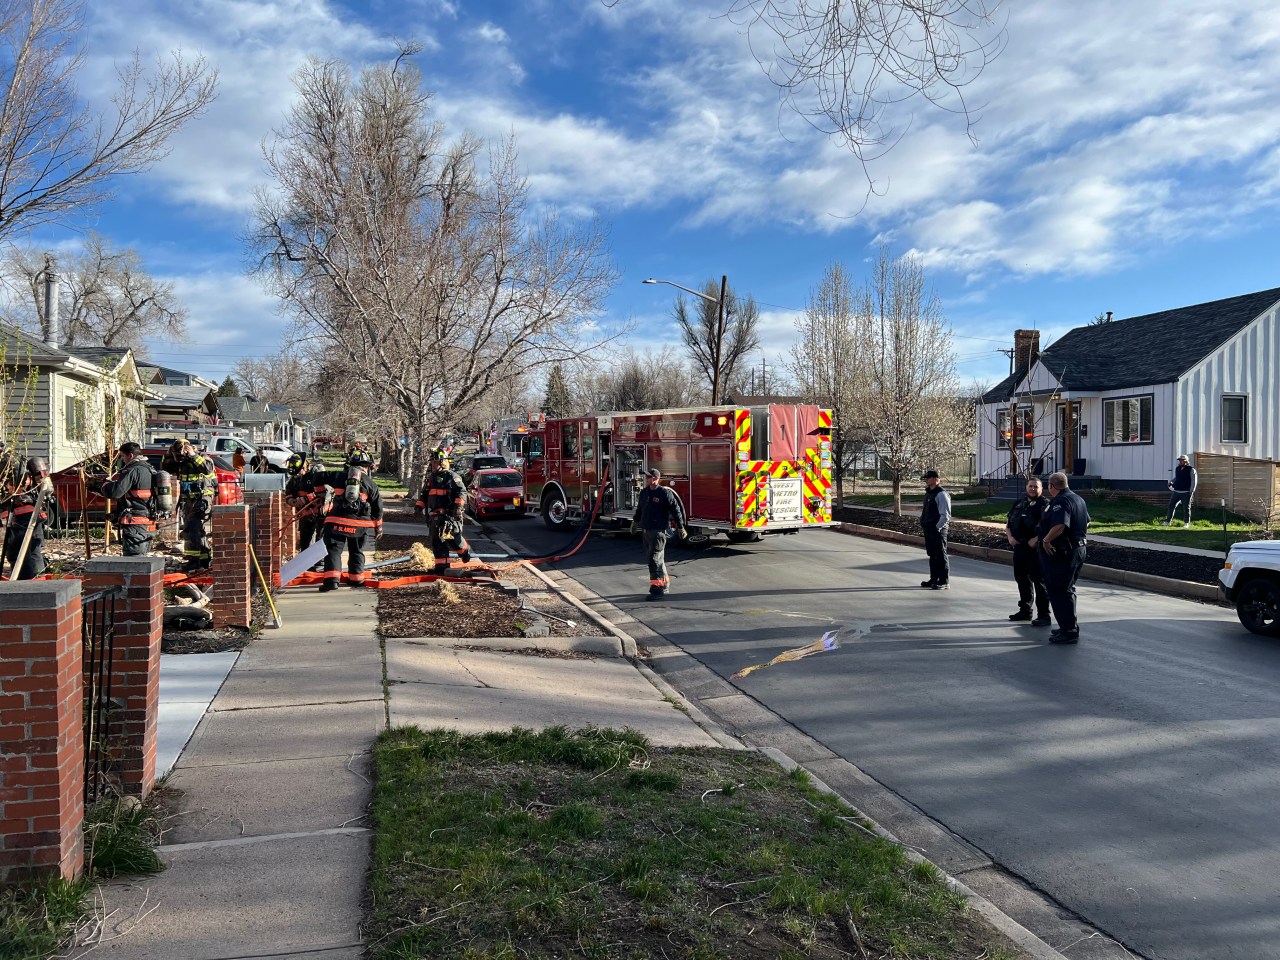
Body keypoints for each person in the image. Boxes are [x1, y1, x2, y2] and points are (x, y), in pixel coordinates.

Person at [1036, 471, 1091, 644]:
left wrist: (1047, 540)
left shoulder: (1061, 501)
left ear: (1051, 486)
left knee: (1059, 590)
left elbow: (1060, 524)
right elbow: (1087, 521)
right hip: (1078, 548)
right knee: (1067, 589)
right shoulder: (1078, 499)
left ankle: (1069, 631)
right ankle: (1067, 625)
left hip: (1063, 552)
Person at [316, 450, 383, 591]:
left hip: (336, 522)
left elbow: (317, 478)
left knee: (333, 550)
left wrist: (319, 492)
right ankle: (357, 579)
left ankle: (331, 582)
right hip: (359, 526)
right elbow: (378, 509)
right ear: (366, 467)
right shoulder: (370, 483)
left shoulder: (338, 476)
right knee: (356, 550)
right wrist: (378, 528)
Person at [631, 467, 686, 600]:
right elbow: (640, 509)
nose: (646, 479)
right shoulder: (644, 493)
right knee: (658, 559)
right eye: (646, 477)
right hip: (646, 531)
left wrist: (680, 527)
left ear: (656, 479)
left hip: (658, 532)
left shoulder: (664, 493)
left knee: (654, 560)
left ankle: (657, 589)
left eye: (649, 477)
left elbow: (676, 510)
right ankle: (665, 583)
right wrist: (635, 522)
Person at [162, 440, 217, 572]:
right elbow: (166, 468)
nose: (179, 458)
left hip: (202, 498)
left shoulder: (202, 458)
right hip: (188, 500)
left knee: (192, 528)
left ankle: (194, 562)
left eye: (180, 454)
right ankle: (204, 559)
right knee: (195, 530)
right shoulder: (181, 462)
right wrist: (169, 455)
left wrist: (192, 455)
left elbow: (207, 470)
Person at [416, 448, 472, 572]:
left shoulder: (452, 477)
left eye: (435, 462)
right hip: (435, 516)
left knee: (453, 540)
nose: (433, 465)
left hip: (449, 516)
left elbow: (462, 492)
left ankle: (465, 552)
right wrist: (418, 507)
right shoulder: (431, 478)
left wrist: (458, 508)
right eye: (432, 463)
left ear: (442, 463)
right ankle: (442, 568)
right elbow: (424, 495)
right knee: (437, 542)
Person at [1005, 476, 1051, 625]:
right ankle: (1025, 611)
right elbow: (1009, 522)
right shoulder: (1019, 503)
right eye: (1030, 486)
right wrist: (1010, 537)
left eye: (1035, 487)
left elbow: (1049, 527)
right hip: (1019, 547)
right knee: (1022, 579)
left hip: (1035, 550)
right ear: (1026, 487)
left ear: (1041, 489)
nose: (1032, 489)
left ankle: (1044, 615)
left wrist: (1036, 539)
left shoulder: (1045, 505)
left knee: (1039, 582)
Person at [98, 442, 157, 556]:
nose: (122, 459)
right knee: (142, 558)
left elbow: (116, 492)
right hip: (147, 522)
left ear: (130, 456)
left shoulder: (132, 470)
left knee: (133, 560)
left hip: (134, 523)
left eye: (123, 456)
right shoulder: (149, 468)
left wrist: (104, 486)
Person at [1, 458, 50, 579]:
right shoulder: (20, 461)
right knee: (34, 552)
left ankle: (25, 589)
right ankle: (41, 585)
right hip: (34, 513)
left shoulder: (6, 465)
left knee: (18, 555)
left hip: (16, 517)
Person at [283, 453, 326, 553]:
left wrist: (306, 499)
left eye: (300, 471)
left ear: (305, 466)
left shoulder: (317, 473)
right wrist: (291, 501)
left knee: (320, 542)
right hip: (305, 515)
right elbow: (289, 491)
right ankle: (307, 565)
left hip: (320, 514)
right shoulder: (296, 478)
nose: (299, 475)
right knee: (305, 543)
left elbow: (324, 492)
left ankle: (320, 565)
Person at [919, 469, 951, 590]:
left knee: (941, 554)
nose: (926, 480)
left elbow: (945, 515)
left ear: (935, 479)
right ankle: (934, 579)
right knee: (932, 554)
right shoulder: (929, 493)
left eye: (928, 478)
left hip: (938, 530)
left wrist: (938, 527)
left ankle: (944, 581)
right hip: (928, 528)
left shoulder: (941, 494)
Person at [1164, 454, 1197, 528]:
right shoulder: (1178, 468)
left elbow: (1194, 481)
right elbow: (1177, 478)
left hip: (1186, 492)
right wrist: (1171, 482)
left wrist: (1191, 491)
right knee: (1171, 506)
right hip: (1176, 491)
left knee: (1186, 508)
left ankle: (1186, 523)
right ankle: (1168, 521)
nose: (1181, 461)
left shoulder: (1191, 469)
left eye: (1182, 460)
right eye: (1180, 460)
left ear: (1186, 461)